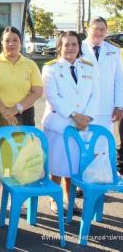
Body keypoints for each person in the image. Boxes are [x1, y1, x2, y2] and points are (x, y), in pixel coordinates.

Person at [0, 26, 43, 214]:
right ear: (1, 43)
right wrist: (4, 111)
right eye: (7, 40)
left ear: (21, 42)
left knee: (20, 158)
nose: (11, 44)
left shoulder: (30, 65)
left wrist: (16, 109)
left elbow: (37, 91)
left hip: (23, 114)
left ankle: (17, 199)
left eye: (15, 40)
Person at [42, 31, 98, 213]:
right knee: (57, 165)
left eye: (74, 44)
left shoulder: (88, 67)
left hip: (82, 125)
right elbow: (53, 97)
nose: (71, 48)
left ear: (79, 47)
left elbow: (95, 94)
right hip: (60, 123)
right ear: (60, 47)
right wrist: (75, 115)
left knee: (74, 166)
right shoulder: (51, 68)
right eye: (66, 44)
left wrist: (86, 116)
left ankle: (69, 200)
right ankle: (54, 198)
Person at [81, 16, 123, 153]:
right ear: (88, 30)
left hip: (106, 108)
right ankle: (84, 174)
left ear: (106, 31)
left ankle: (102, 174)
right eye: (95, 29)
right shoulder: (77, 48)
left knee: (103, 145)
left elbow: (119, 79)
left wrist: (119, 105)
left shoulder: (114, 51)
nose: (99, 32)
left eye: (102, 29)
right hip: (83, 107)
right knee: (84, 145)